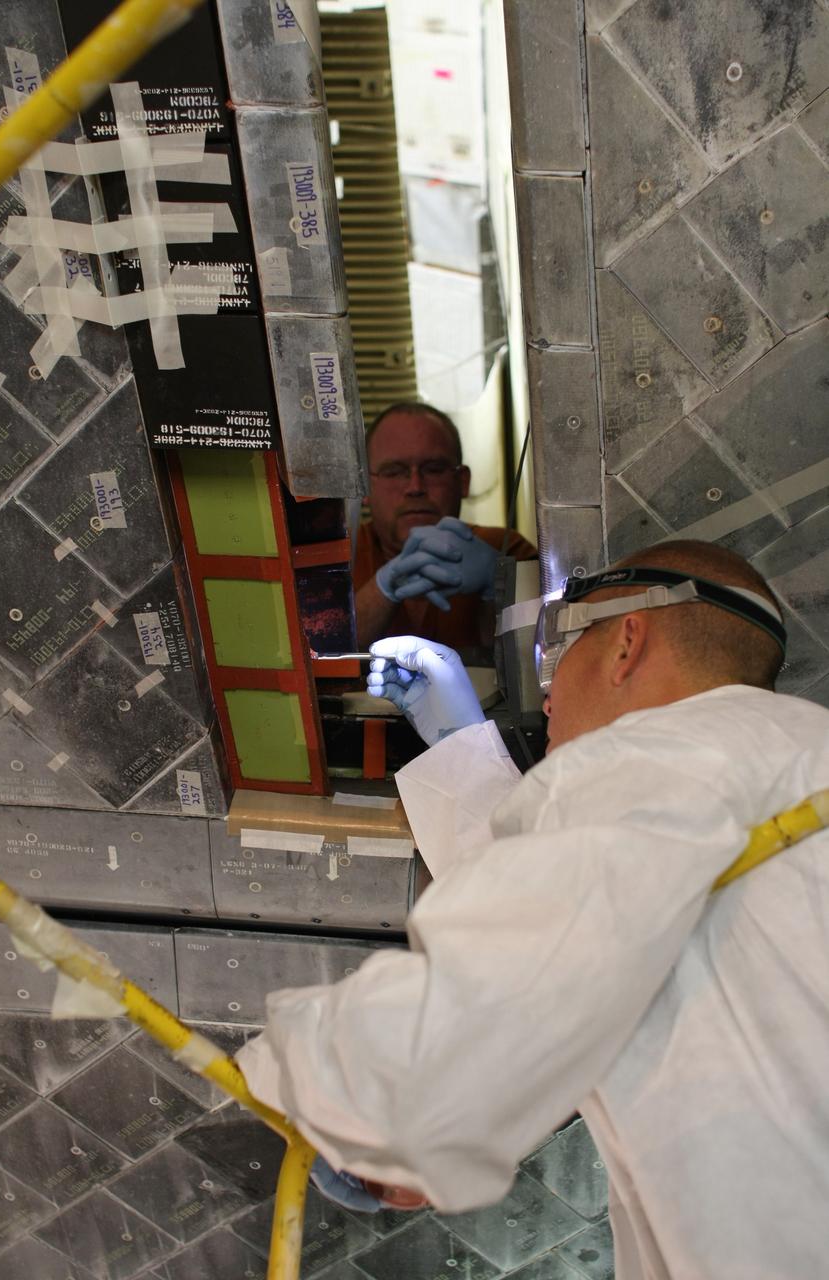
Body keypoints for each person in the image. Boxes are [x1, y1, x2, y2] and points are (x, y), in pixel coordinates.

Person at [237, 538, 829, 1278]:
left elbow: (504, 990)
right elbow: (604, 944)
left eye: (558, 652)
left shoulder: (672, 754)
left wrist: (341, 1104)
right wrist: (459, 751)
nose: (546, 696)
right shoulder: (781, 764)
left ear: (626, 643)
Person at [353, 401, 536, 651]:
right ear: (364, 487)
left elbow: (539, 660)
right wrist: (380, 590)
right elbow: (315, 660)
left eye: (434, 470)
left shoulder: (506, 550)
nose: (415, 487)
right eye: (394, 472)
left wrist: (500, 582)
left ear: (463, 481)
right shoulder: (337, 561)